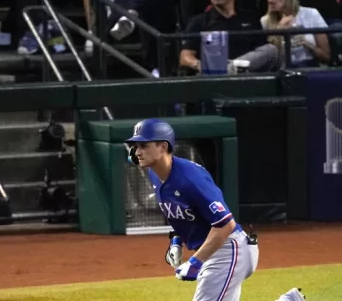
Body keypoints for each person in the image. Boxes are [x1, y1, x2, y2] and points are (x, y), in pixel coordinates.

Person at [124, 118, 303, 301]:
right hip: (215, 251)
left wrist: (195, 262)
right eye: (135, 146)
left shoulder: (190, 179)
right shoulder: (155, 173)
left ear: (163, 146)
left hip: (229, 250)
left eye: (144, 145)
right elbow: (186, 214)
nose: (137, 151)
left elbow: (225, 224)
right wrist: (176, 241)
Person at [260, 0, 330, 67]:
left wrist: (306, 44)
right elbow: (268, 59)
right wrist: (278, 33)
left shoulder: (311, 14)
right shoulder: (265, 21)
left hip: (310, 67)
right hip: (282, 69)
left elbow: (326, 57)